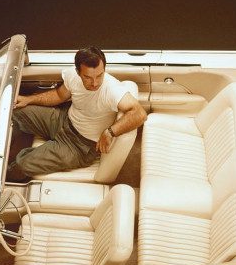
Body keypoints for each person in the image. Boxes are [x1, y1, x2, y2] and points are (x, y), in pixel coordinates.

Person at [8, 46, 146, 180]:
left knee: (22, 165)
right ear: (78, 72)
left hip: (79, 146)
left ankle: (2, 176)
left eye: (100, 75)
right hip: (63, 119)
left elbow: (140, 114)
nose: (95, 83)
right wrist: (28, 99)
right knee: (15, 111)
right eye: (88, 77)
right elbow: (59, 95)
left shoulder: (112, 89)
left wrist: (110, 132)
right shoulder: (72, 75)